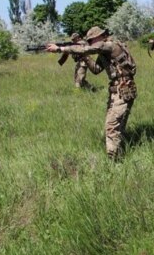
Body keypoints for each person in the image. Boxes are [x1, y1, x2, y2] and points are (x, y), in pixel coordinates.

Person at [46, 26, 137, 160]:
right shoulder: (104, 51)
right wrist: (85, 58)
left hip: (122, 89)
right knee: (117, 125)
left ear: (101, 36)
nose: (91, 43)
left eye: (92, 40)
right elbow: (96, 69)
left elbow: (87, 49)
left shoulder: (109, 46)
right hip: (117, 90)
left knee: (111, 126)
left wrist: (61, 48)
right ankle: (119, 153)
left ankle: (114, 160)